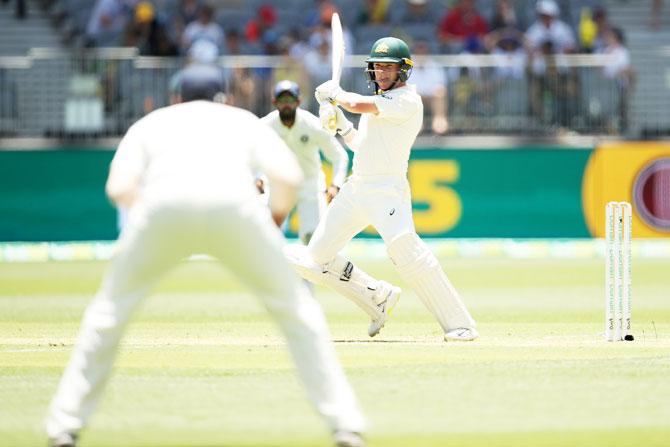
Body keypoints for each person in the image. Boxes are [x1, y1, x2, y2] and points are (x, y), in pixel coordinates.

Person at [45, 65, 366, 447]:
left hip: (163, 209)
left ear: (176, 97)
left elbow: (119, 187)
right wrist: (272, 222)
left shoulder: (153, 123)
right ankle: (345, 425)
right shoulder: (242, 121)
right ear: (225, 97)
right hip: (235, 210)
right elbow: (289, 180)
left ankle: (64, 425)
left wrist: (151, 220)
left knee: (107, 315)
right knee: (299, 313)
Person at [284, 37, 478, 342]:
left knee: (407, 252)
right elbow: (364, 147)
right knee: (314, 260)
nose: (382, 73)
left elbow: (358, 103)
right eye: (377, 67)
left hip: (388, 190)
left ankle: (460, 324)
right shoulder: (378, 105)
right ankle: (378, 296)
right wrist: (343, 128)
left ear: (403, 71)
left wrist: (336, 95)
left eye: (389, 68)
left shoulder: (407, 101)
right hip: (357, 188)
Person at [261, 80, 349, 244]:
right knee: (269, 237)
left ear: (298, 102)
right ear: (274, 102)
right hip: (278, 184)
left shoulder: (312, 124)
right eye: (282, 100)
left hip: (310, 183)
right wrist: (257, 178)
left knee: (312, 239)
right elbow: (252, 154)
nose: (286, 105)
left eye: (290, 100)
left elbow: (339, 155)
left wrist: (336, 184)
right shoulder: (265, 126)